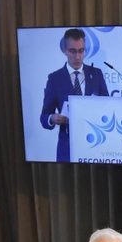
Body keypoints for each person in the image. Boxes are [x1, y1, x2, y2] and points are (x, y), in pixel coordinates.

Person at [39, 28, 109, 163]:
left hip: (96, 142)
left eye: (81, 51)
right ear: (64, 50)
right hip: (68, 146)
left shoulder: (96, 74)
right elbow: (44, 117)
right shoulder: (55, 78)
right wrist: (52, 118)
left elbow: (107, 105)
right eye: (73, 51)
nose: (78, 56)